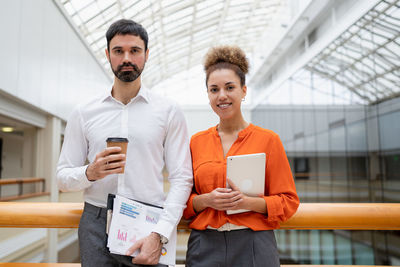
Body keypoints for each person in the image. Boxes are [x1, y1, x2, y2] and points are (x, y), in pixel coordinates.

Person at [57, 19, 193, 267]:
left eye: (135, 51)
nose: (126, 58)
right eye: (118, 51)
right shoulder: (84, 112)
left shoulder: (168, 110)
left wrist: (160, 232)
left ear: (147, 55)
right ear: (108, 55)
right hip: (95, 221)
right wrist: (91, 172)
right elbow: (62, 178)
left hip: (149, 220)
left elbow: (183, 178)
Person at [183, 46, 299, 267]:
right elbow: (184, 200)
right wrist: (206, 200)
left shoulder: (269, 140)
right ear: (208, 94)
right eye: (214, 89)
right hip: (204, 243)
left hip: (254, 244)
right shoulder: (196, 142)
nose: (222, 95)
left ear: (244, 91)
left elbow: (288, 202)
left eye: (230, 87)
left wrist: (247, 203)